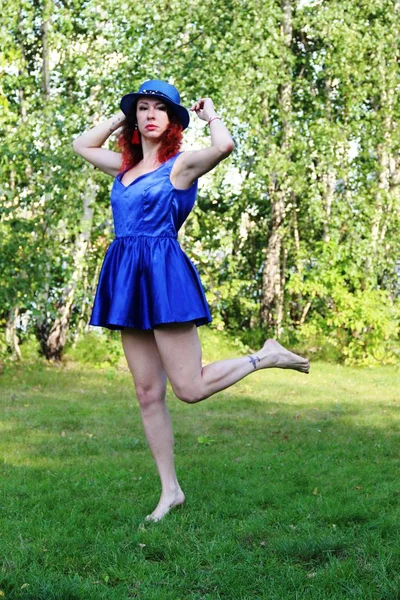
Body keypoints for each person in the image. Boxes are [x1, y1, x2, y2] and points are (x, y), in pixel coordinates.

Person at [72, 79, 309, 522]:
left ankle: (265, 356)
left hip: (162, 278)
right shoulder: (123, 168)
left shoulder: (179, 166)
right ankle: (170, 492)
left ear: (173, 121)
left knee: (190, 388)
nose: (149, 114)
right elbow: (81, 144)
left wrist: (211, 115)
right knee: (147, 393)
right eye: (142, 108)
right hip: (127, 281)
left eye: (159, 109)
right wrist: (122, 115)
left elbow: (225, 147)